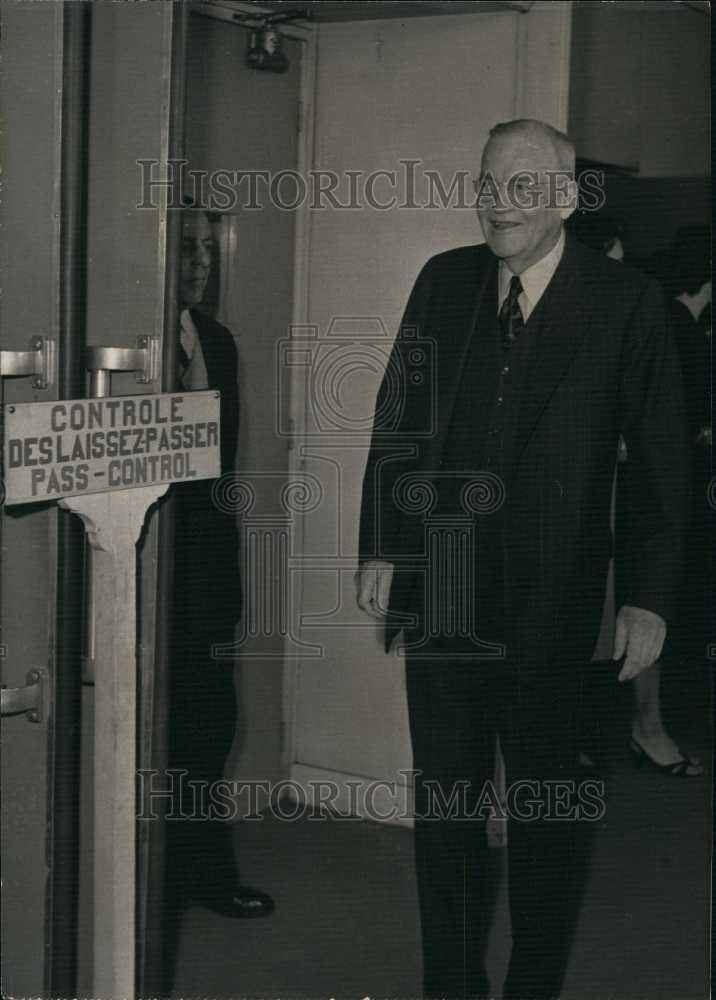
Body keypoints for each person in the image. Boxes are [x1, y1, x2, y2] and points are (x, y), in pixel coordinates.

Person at [356, 119, 689, 999]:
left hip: (555, 609)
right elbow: (400, 423)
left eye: (521, 186)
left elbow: (664, 462)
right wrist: (384, 545)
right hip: (446, 597)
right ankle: (452, 984)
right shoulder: (445, 283)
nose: (498, 203)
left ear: (568, 198)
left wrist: (650, 597)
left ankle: (532, 984)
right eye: (488, 184)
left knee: (543, 815)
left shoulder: (625, 303)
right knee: (447, 809)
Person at [166, 209, 274, 919]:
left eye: (209, 249)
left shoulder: (218, 341)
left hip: (203, 569)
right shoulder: (118, 345)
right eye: (187, 247)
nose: (201, 261)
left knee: (208, 721)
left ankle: (203, 872)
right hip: (139, 567)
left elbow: (214, 464)